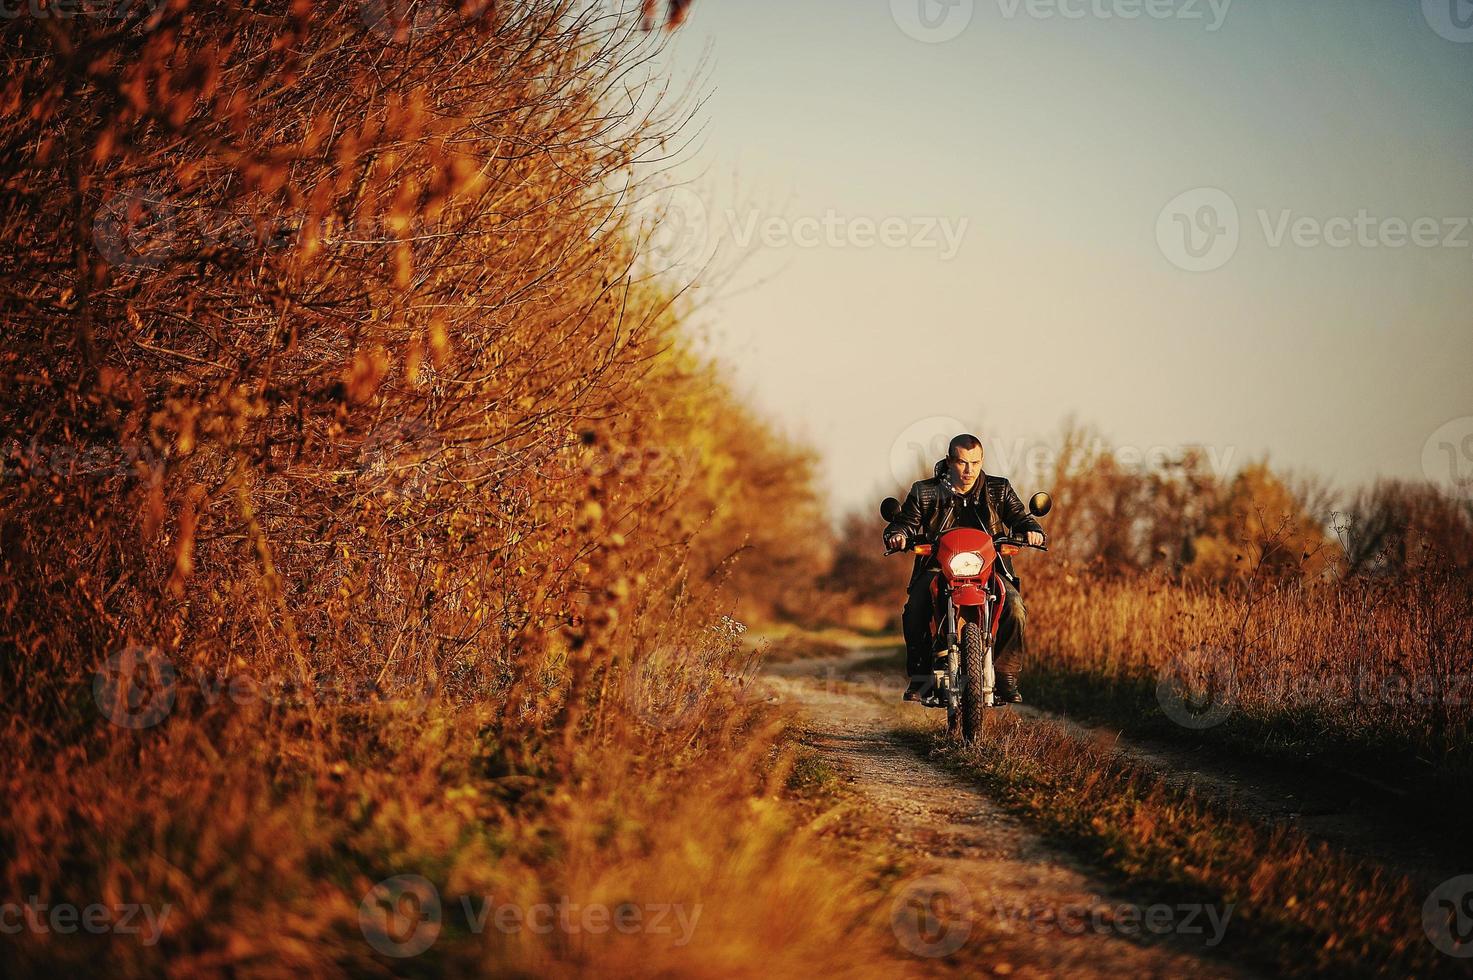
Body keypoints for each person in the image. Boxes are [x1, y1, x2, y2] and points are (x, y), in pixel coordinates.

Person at [883, 433, 1044, 703]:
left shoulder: (998, 489)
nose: (969, 470)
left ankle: (1005, 675)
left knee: (1015, 606)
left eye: (975, 462)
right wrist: (898, 534)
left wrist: (1033, 531)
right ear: (949, 461)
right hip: (938, 567)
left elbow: (1022, 517)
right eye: (961, 462)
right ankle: (921, 677)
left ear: (982, 461)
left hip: (989, 569)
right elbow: (905, 522)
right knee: (914, 609)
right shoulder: (925, 491)